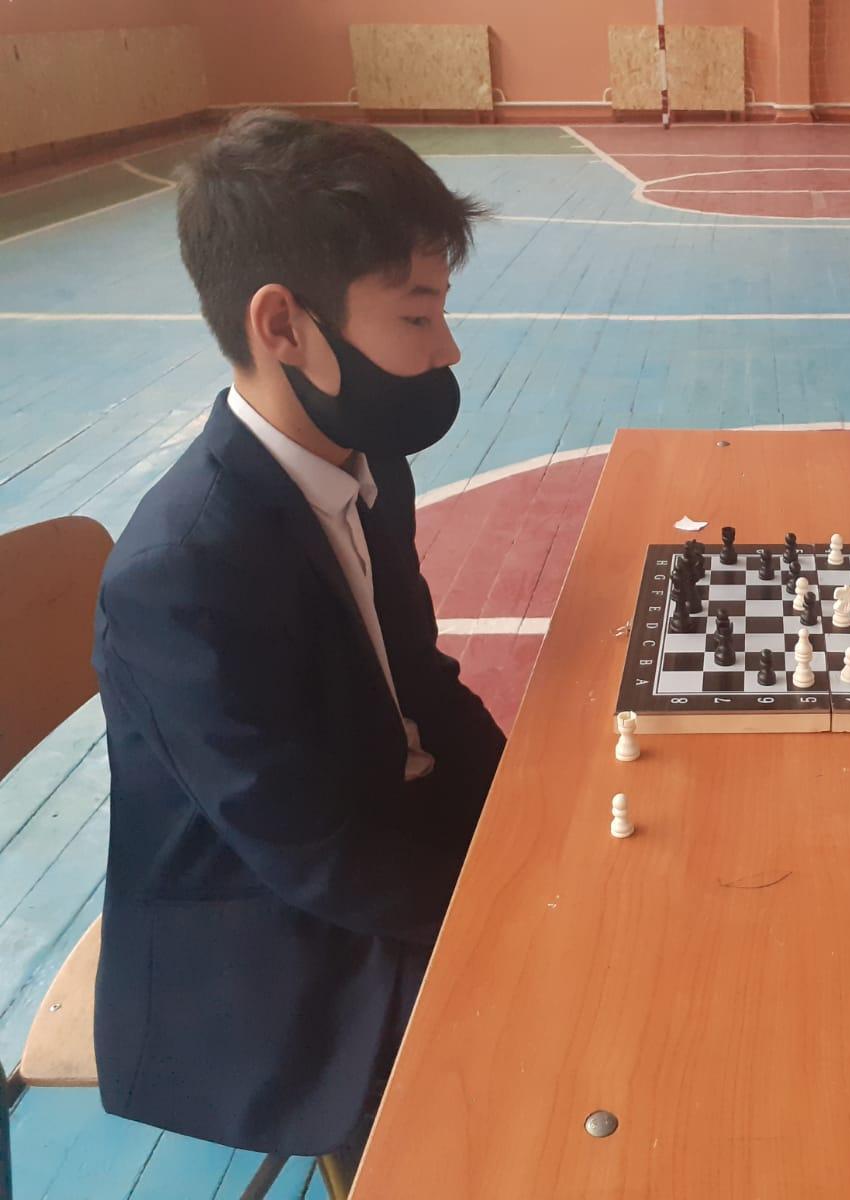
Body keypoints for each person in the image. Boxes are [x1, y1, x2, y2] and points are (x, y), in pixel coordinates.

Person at [92, 110, 506, 1163]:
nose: (446, 349)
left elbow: (419, 680)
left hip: (377, 831)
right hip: (276, 944)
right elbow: (311, 853)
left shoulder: (368, 461)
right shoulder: (181, 575)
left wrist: (528, 808)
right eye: (416, 316)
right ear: (283, 325)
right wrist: (510, 905)